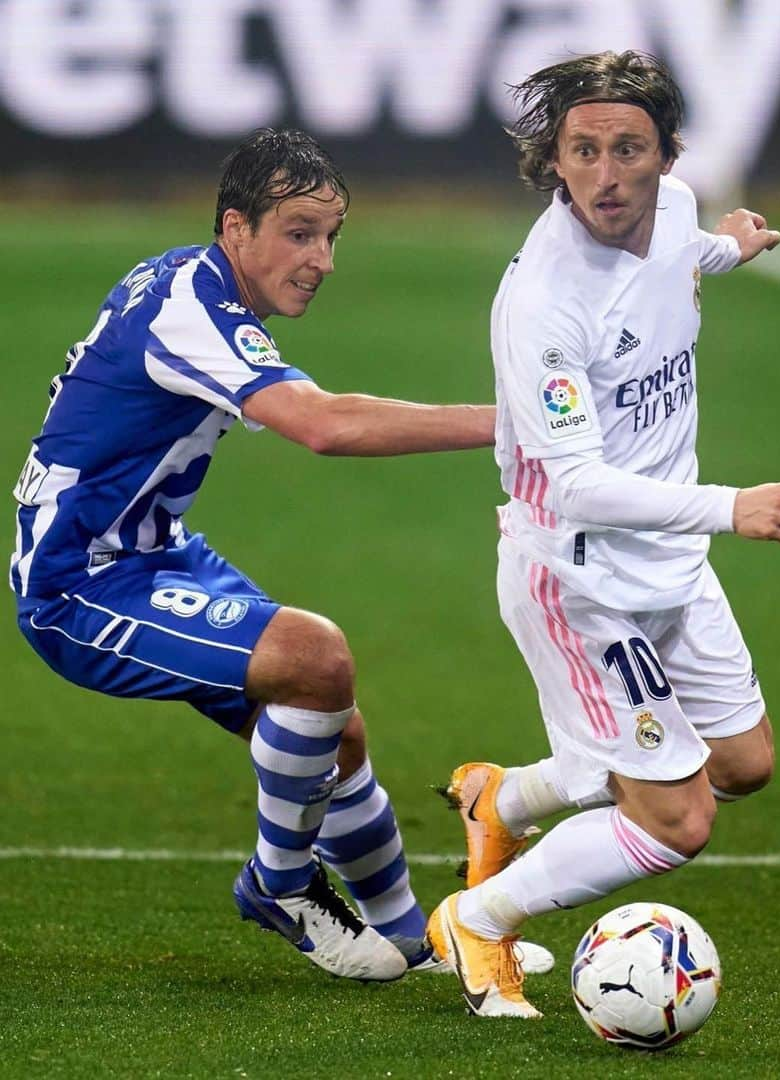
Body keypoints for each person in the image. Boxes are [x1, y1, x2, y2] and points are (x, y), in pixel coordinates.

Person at [9, 128, 553, 982]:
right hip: (78, 587)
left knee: (334, 730)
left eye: (331, 236)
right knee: (315, 657)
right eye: (300, 233)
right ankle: (280, 884)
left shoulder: (190, 280)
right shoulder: (191, 305)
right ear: (236, 228)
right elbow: (325, 426)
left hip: (152, 554)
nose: (323, 259)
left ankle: (418, 938)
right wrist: (516, 425)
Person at [426, 51, 780, 1018]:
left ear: (666, 156)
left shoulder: (678, 209)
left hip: (671, 564)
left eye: (629, 149)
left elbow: (673, 266)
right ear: (553, 163)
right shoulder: (544, 307)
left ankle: (505, 800)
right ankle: (478, 923)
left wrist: (727, 248)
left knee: (741, 766)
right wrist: (733, 507)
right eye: (583, 152)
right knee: (679, 818)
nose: (608, 175)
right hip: (582, 578)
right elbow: (578, 488)